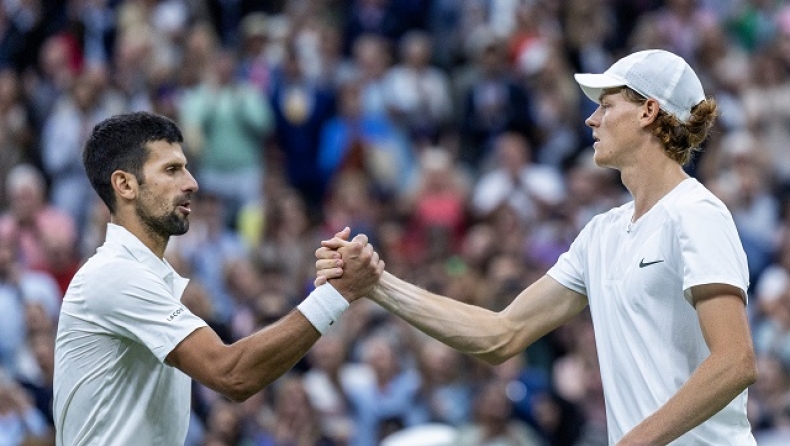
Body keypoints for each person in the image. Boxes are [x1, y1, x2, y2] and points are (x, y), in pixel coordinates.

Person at [317, 49, 758, 445]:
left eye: (606, 106)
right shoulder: (601, 233)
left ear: (648, 111)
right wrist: (376, 285)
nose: (592, 119)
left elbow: (735, 361)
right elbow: (500, 334)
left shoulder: (696, 213)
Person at [52, 111, 384, 446]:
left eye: (186, 167)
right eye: (171, 170)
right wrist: (335, 294)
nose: (191, 183)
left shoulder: (139, 274)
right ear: (125, 185)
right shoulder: (116, 274)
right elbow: (232, 374)